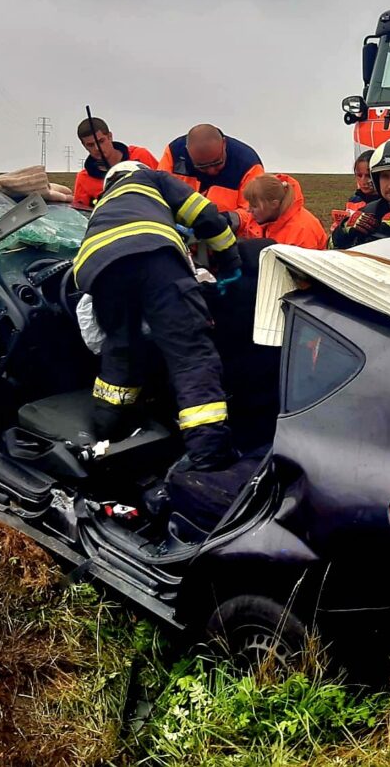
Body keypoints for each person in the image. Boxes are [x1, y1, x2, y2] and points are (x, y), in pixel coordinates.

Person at [72, 160, 243, 507]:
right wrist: (231, 258)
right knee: (190, 357)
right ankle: (209, 456)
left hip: (99, 272)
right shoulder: (149, 178)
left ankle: (107, 432)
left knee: (120, 352)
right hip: (156, 259)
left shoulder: (104, 203)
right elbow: (204, 213)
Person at [160, 125, 264, 232]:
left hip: (231, 237)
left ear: (224, 144)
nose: (211, 171)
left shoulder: (248, 165)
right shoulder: (174, 153)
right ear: (188, 151)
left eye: (217, 163)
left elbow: (254, 213)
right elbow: (158, 194)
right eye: (202, 166)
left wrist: (224, 220)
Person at [72, 116, 158, 211]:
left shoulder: (140, 156)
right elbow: (82, 216)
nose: (97, 148)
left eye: (101, 141)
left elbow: (165, 185)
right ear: (84, 145)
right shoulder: (83, 178)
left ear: (110, 136)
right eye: (90, 145)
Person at [243, 173, 328, 249]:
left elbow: (302, 266)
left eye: (254, 206)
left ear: (274, 204)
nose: (248, 210)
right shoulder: (257, 219)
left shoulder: (302, 230)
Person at [332, 148, 378, 231]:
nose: (363, 181)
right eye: (359, 175)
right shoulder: (354, 200)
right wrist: (338, 229)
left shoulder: (388, 203)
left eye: (368, 176)